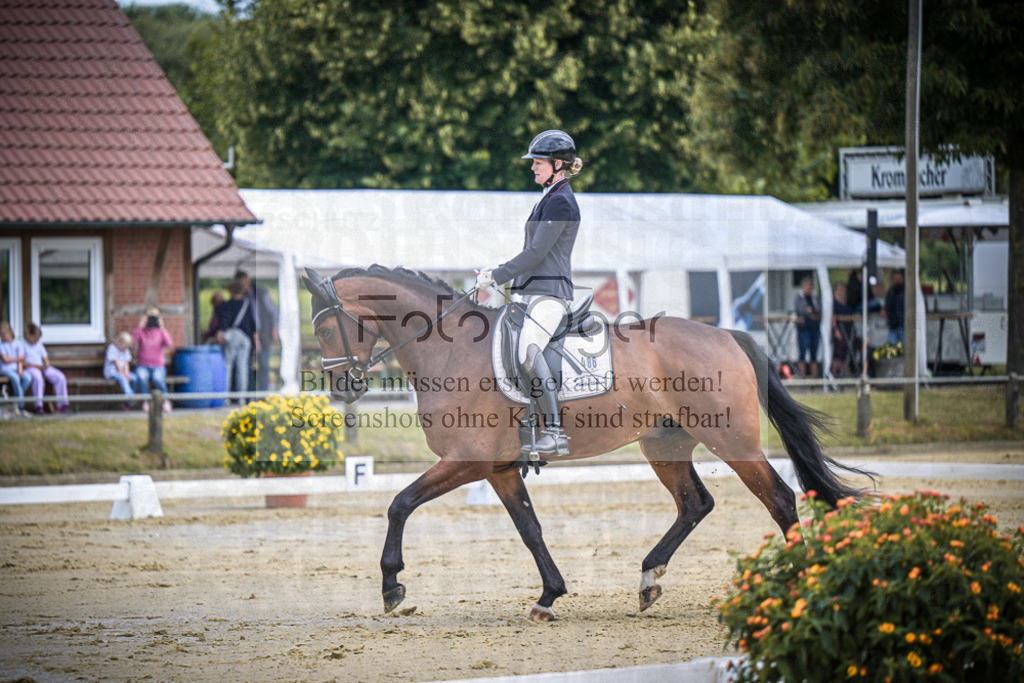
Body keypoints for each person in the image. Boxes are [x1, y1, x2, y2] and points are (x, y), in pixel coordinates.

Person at [476, 129, 584, 456]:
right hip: (532, 292)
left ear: (558, 164)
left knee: (529, 349)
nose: (533, 167)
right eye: (533, 162)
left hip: (550, 294)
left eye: (539, 162)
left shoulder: (561, 201)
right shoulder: (549, 197)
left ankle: (554, 431)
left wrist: (496, 275)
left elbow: (536, 253)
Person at [214, 278, 258, 404]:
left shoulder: (228, 305)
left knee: (227, 366)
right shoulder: (248, 304)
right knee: (242, 368)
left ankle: (226, 397)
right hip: (246, 339)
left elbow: (224, 321)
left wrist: (220, 333)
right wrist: (256, 341)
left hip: (233, 337)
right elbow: (253, 324)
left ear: (231, 291)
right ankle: (242, 398)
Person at [235, 270, 278, 392]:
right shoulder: (239, 296)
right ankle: (249, 392)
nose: (244, 285)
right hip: (247, 335)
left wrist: (275, 327)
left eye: (245, 281)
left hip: (263, 334)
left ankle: (263, 392)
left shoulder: (261, 292)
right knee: (245, 365)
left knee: (263, 364)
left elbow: (273, 311)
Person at [133, 307, 175, 413]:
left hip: (158, 366)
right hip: (143, 365)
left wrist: (162, 327)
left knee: (157, 379)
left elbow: (169, 344)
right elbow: (133, 342)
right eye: (149, 317)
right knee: (142, 377)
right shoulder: (141, 331)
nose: (151, 320)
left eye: (154, 318)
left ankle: (165, 401)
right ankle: (145, 401)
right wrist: (140, 326)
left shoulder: (161, 332)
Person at [23, 323, 69, 414]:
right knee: (38, 379)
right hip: (31, 367)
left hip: (42, 367)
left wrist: (45, 365)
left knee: (60, 377)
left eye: (38, 338)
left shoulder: (39, 345)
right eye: (35, 337)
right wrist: (37, 366)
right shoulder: (22, 345)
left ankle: (62, 405)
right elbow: (22, 362)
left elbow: (46, 359)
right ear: (29, 335)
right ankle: (38, 406)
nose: (37, 340)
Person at [0, 321, 32, 416]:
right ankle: (21, 407)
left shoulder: (18, 344)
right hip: (6, 369)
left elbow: (21, 360)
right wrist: (18, 358)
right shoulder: (1, 346)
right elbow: (6, 360)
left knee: (27, 378)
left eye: (4, 333)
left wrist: (20, 369)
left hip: (16, 368)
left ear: (10, 332)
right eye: (1, 334)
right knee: (16, 378)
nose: (3, 336)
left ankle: (12, 400)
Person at [793, 276, 821, 379]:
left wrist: (810, 310)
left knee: (814, 355)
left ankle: (814, 379)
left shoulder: (814, 298)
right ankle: (802, 378)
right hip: (803, 329)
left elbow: (818, 310)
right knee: (802, 354)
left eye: (810, 287)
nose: (808, 289)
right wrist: (808, 311)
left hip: (814, 328)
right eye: (807, 286)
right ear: (803, 287)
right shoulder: (799, 298)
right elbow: (800, 310)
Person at [104, 331, 137, 411]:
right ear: (119, 342)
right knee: (123, 379)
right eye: (124, 346)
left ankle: (128, 400)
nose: (125, 348)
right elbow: (116, 362)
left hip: (122, 371)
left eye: (127, 347)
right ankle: (130, 397)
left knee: (135, 378)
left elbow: (126, 362)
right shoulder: (112, 348)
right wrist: (123, 374)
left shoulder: (126, 350)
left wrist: (127, 373)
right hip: (112, 371)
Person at [830, 284, 855, 378]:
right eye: (839, 290)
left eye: (843, 290)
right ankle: (834, 377)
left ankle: (842, 376)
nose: (841, 292)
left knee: (845, 355)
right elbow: (832, 317)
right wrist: (836, 330)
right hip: (838, 333)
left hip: (848, 333)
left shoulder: (847, 304)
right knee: (836, 356)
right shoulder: (833, 304)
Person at [883, 270, 906, 346]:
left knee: (905, 350)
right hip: (893, 327)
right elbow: (887, 305)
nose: (897, 279)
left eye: (899, 277)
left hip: (904, 327)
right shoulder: (891, 292)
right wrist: (884, 309)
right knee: (891, 350)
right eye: (895, 278)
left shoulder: (907, 291)